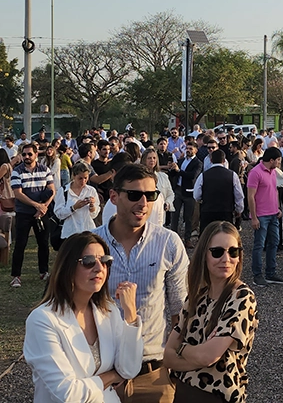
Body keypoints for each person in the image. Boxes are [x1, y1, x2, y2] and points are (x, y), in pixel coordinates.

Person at [94, 163, 189, 403]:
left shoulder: (168, 243)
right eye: (135, 195)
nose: (144, 203)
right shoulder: (92, 244)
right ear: (114, 197)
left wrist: (175, 366)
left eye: (151, 195)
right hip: (100, 373)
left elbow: (180, 311)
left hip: (153, 374)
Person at [23, 232, 143, 403]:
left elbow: (129, 369)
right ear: (67, 268)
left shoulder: (108, 311)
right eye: (88, 262)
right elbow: (68, 393)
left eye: (105, 260)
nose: (99, 268)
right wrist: (112, 375)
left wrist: (130, 314)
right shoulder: (43, 320)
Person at [164, 221, 258, 402]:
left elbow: (208, 356)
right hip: (184, 393)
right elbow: (167, 356)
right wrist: (197, 353)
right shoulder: (196, 298)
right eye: (217, 252)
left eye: (233, 251)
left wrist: (181, 348)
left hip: (218, 396)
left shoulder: (241, 297)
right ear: (204, 255)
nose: (226, 259)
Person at [10, 142, 55, 287]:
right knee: (20, 244)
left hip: (42, 213)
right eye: (24, 154)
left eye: (30, 154)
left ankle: (44, 271)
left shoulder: (45, 169)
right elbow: (18, 194)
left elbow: (52, 190)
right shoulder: (17, 171)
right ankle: (16, 276)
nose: (26, 157)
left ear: (36, 154)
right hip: (24, 213)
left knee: (43, 243)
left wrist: (44, 207)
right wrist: (37, 205)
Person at [247, 147, 283, 286]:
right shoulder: (255, 173)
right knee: (259, 245)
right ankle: (257, 275)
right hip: (261, 216)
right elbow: (250, 196)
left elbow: (274, 191)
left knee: (274, 243)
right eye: (278, 160)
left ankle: (271, 273)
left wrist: (277, 208)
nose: (279, 163)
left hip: (273, 214)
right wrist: (254, 217)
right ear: (272, 160)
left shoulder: (273, 172)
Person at [193, 149, 244, 234]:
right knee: (224, 236)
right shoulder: (232, 175)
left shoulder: (203, 175)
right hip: (226, 211)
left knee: (207, 237)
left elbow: (196, 195)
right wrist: (239, 209)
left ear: (211, 160)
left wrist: (202, 199)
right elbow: (239, 195)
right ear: (224, 161)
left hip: (208, 210)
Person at [54, 161, 100, 240]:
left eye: (85, 178)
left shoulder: (91, 190)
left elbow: (94, 214)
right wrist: (73, 207)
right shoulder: (64, 191)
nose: (83, 181)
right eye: (80, 178)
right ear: (74, 176)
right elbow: (58, 214)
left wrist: (92, 206)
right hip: (71, 233)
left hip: (88, 230)